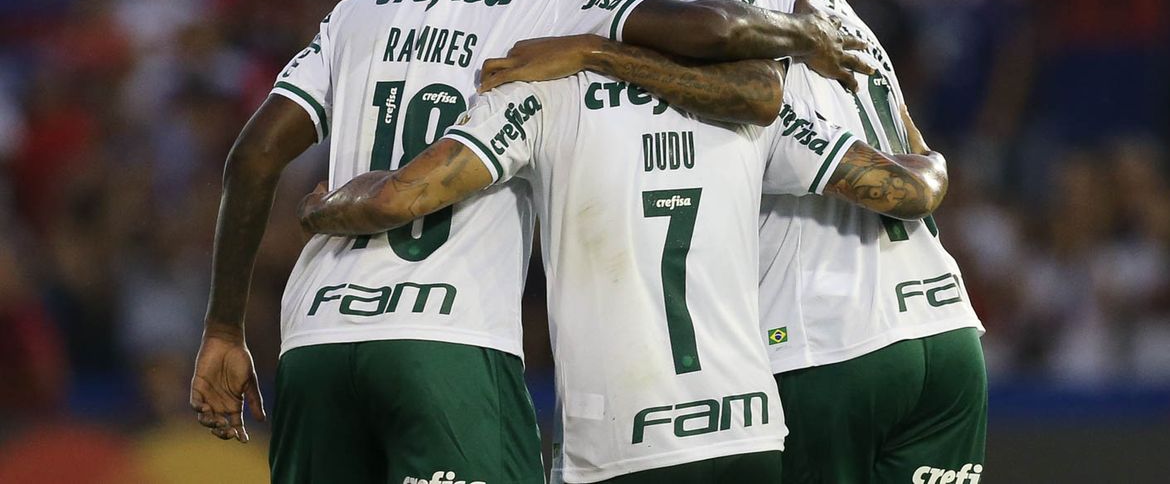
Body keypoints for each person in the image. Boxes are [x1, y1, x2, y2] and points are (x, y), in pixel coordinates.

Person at [189, 0, 870, 483]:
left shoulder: (362, 8)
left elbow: (251, 158)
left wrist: (224, 327)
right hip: (448, 339)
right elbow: (715, 30)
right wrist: (802, 33)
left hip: (314, 340)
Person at [297, 40, 948, 483]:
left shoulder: (544, 93)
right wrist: (932, 159)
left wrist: (325, 209)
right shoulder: (752, 109)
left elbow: (403, 196)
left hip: (618, 442)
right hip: (748, 431)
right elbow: (896, 188)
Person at [602, 0, 988, 483]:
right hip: (946, 335)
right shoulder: (834, 1)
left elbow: (785, 130)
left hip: (827, 343)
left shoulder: (704, 13)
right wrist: (930, 175)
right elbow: (913, 149)